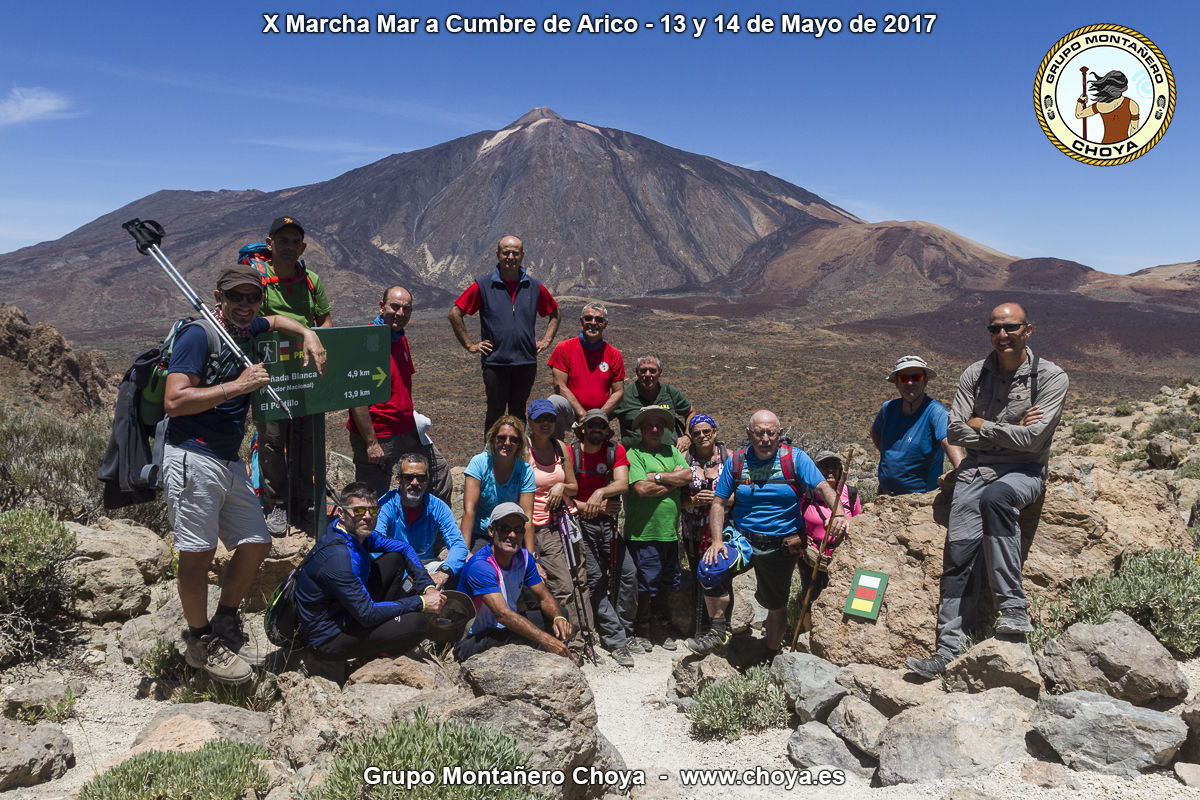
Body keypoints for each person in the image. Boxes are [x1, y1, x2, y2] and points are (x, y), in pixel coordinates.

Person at [163, 263, 327, 684]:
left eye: (251, 297)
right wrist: (238, 386)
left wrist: (307, 333)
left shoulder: (249, 327)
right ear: (218, 296)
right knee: (197, 555)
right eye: (235, 297)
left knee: (256, 542)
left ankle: (225, 619)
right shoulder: (199, 335)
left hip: (227, 459)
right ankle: (200, 641)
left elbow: (275, 320)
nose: (244, 305)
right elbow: (175, 401)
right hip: (191, 456)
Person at [906, 303, 1068, 679]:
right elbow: (956, 431)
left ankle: (1013, 611)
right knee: (959, 555)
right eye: (995, 328)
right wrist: (1007, 424)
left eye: (1010, 328)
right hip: (975, 470)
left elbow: (1032, 441)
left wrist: (984, 424)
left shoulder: (1050, 377)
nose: (1002, 335)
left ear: (1029, 330)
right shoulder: (974, 374)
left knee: (998, 500)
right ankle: (948, 650)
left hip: (1023, 472)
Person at [697, 411, 848, 661]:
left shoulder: (795, 459)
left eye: (771, 432)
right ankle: (718, 631)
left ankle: (769, 653)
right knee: (710, 568)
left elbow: (822, 486)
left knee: (775, 604)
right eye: (759, 433)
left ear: (779, 433)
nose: (765, 438)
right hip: (742, 538)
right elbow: (718, 502)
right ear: (749, 434)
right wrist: (716, 541)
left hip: (780, 544)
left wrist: (839, 514)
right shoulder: (737, 461)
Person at [294, 482, 447, 663]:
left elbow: (404, 548)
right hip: (329, 637)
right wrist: (420, 602)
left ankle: (386, 626)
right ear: (342, 513)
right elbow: (367, 614)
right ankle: (373, 656)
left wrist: (427, 586)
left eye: (373, 511)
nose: (367, 517)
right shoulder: (338, 557)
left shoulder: (354, 534)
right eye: (359, 511)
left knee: (395, 558)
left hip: (348, 610)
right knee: (417, 624)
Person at [255, 216, 333, 535]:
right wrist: (305, 332)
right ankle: (277, 505)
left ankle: (304, 500)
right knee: (273, 439)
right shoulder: (257, 281)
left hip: (304, 374)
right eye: (282, 240)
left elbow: (326, 319)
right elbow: (262, 322)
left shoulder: (311, 280)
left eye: (295, 241)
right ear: (270, 243)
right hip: (271, 375)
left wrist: (316, 335)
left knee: (307, 437)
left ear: (303, 247)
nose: (289, 247)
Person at [348, 286, 452, 506]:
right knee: (373, 498)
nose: (400, 313)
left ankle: (429, 531)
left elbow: (402, 385)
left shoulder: (398, 338)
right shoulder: (364, 341)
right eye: (394, 307)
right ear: (381, 306)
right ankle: (374, 539)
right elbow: (356, 397)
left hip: (407, 429)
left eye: (406, 309)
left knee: (438, 472)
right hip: (379, 433)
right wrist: (370, 443)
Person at [448, 235, 561, 434]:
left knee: (518, 413)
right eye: (506, 252)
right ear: (498, 254)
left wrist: (546, 340)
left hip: (525, 361)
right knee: (495, 413)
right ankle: (491, 459)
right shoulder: (483, 285)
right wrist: (470, 345)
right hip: (495, 362)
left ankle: (516, 459)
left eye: (515, 253)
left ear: (522, 255)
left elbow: (555, 313)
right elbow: (455, 313)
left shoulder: (534, 287)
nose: (510, 257)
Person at [454, 503, 574, 662]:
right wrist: (546, 640)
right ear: (491, 531)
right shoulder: (481, 565)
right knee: (531, 636)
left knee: (560, 615)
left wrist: (558, 617)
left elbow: (544, 597)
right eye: (505, 529)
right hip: (473, 639)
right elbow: (502, 614)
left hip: (504, 628)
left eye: (517, 530)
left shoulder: (524, 558)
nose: (512, 535)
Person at [567, 409, 636, 667]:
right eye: (591, 424)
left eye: (601, 425)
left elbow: (622, 484)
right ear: (583, 428)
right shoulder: (571, 453)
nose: (597, 429)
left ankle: (624, 629)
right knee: (594, 578)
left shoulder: (614, 451)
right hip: (578, 524)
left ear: (607, 430)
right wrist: (589, 506)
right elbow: (563, 492)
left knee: (627, 572)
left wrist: (600, 492)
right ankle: (616, 640)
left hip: (607, 524)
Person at [525, 398, 592, 655]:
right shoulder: (524, 451)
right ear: (530, 421)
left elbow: (574, 487)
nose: (545, 423)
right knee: (562, 585)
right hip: (542, 526)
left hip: (567, 520)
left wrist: (561, 486)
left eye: (550, 419)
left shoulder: (560, 447)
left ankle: (587, 636)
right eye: (540, 419)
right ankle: (571, 641)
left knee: (580, 579)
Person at [626, 406, 692, 651]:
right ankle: (641, 630)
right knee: (645, 583)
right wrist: (669, 479)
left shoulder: (672, 451)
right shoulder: (634, 454)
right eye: (649, 425)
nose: (654, 429)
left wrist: (655, 476)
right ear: (642, 429)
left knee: (667, 582)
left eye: (658, 425)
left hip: (669, 533)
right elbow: (641, 490)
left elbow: (687, 476)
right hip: (643, 532)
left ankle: (661, 628)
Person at [871, 355, 963, 495]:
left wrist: (963, 473)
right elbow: (875, 432)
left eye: (916, 377)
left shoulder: (936, 412)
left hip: (919, 498)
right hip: (884, 494)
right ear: (896, 382)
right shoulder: (888, 409)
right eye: (903, 378)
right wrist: (888, 455)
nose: (909, 383)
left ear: (925, 381)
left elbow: (949, 441)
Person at [374, 452, 468, 589]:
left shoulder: (438, 507)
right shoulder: (386, 505)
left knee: (464, 569)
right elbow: (375, 543)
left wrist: (444, 572)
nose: (415, 483)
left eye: (421, 478)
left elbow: (458, 544)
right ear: (398, 480)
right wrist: (409, 574)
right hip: (396, 566)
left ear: (427, 480)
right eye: (408, 477)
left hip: (428, 565)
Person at [795, 451, 864, 631]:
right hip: (811, 554)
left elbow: (858, 523)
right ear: (816, 470)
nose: (830, 471)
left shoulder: (850, 494)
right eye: (825, 467)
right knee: (810, 593)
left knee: (841, 593)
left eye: (835, 466)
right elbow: (794, 519)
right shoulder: (806, 493)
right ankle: (807, 634)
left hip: (840, 556)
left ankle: (835, 632)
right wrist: (803, 535)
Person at [679, 415, 727, 636]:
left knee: (719, 577)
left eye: (706, 431)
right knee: (699, 575)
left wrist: (718, 498)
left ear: (715, 432)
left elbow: (742, 493)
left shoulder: (730, 459)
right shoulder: (684, 459)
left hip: (721, 532)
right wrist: (694, 501)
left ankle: (720, 626)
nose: (702, 436)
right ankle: (701, 626)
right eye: (696, 433)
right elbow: (677, 497)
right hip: (693, 530)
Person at [460, 415, 536, 553]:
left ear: (519, 444)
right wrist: (464, 552)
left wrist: (531, 557)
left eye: (513, 439)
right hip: (482, 534)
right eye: (502, 437)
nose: (507, 443)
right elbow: (469, 509)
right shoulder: (480, 463)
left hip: (512, 534)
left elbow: (528, 516)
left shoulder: (525, 470)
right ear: (493, 439)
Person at [547, 302, 625, 433]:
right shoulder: (564, 348)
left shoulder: (614, 354)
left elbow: (618, 391)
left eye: (599, 320)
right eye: (588, 318)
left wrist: (599, 415)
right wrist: (583, 415)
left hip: (599, 414)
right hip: (572, 412)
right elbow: (559, 386)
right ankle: (556, 448)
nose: (593, 323)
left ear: (605, 324)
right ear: (581, 320)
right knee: (554, 402)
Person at [612, 354, 694, 451]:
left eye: (652, 371)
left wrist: (688, 436)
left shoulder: (670, 392)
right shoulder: (623, 395)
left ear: (660, 372)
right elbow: (602, 418)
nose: (647, 375)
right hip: (636, 461)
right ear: (636, 372)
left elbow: (690, 412)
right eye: (643, 370)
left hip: (670, 459)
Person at [1075, 70, 1139, 144]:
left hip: (1105, 145)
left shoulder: (1100, 105)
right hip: (1124, 146)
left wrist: (1080, 101)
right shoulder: (1132, 104)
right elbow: (1134, 129)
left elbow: (1079, 114)